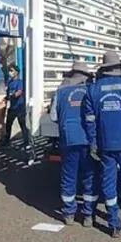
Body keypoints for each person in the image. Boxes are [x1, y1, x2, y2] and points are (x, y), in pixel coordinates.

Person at [83, 51, 121, 238]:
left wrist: (93, 143)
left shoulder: (92, 89)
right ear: (119, 68)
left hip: (105, 144)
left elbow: (89, 120)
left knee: (108, 181)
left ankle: (113, 223)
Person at [50, 62, 98, 227]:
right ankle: (88, 215)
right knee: (89, 177)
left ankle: (69, 213)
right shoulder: (91, 89)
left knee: (69, 177)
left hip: (68, 139)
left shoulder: (61, 90)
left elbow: (53, 117)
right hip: (87, 139)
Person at [0, 64, 30, 150]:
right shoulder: (10, 82)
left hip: (20, 108)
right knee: (8, 124)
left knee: (22, 125)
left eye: (11, 71)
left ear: (16, 72)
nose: (10, 72)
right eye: (9, 71)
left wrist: (12, 95)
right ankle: (7, 141)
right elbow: (8, 93)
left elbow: (19, 92)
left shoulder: (20, 82)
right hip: (12, 108)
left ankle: (26, 142)